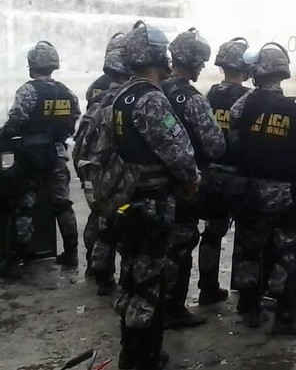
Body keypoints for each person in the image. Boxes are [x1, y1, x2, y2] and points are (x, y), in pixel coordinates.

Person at [112, 21, 200, 370]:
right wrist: (191, 180)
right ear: (157, 57)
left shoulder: (119, 98)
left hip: (128, 201)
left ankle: (131, 351)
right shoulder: (152, 99)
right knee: (150, 280)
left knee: (132, 276)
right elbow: (177, 150)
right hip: (154, 203)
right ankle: (144, 357)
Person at [228, 42, 296, 335]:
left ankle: (250, 307)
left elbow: (234, 144)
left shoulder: (242, 105)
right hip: (285, 193)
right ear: (283, 72)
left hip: (249, 190)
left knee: (250, 248)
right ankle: (286, 317)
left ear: (256, 72)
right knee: (290, 250)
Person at [160, 28, 225, 328]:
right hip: (185, 183)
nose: (202, 68)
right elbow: (215, 144)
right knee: (182, 243)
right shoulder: (192, 99)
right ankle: (174, 309)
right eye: (201, 62)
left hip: (154, 185)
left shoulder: (154, 90)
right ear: (194, 61)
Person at [0, 40, 81, 277]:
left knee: (25, 205)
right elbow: (74, 118)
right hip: (58, 154)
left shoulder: (28, 90)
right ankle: (71, 253)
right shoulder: (66, 91)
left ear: (32, 64)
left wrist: (4, 135)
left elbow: (17, 120)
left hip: (32, 156)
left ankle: (14, 261)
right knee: (62, 204)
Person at [198, 37, 251, 305]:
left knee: (212, 231)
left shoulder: (211, 93)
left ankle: (207, 286)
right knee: (244, 233)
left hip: (211, 172)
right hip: (237, 173)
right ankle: (243, 288)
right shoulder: (246, 97)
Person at [80, 32, 132, 294]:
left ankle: (99, 272)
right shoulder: (128, 97)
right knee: (122, 222)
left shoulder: (97, 94)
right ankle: (122, 279)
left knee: (102, 220)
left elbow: (84, 134)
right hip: (120, 168)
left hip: (97, 166)